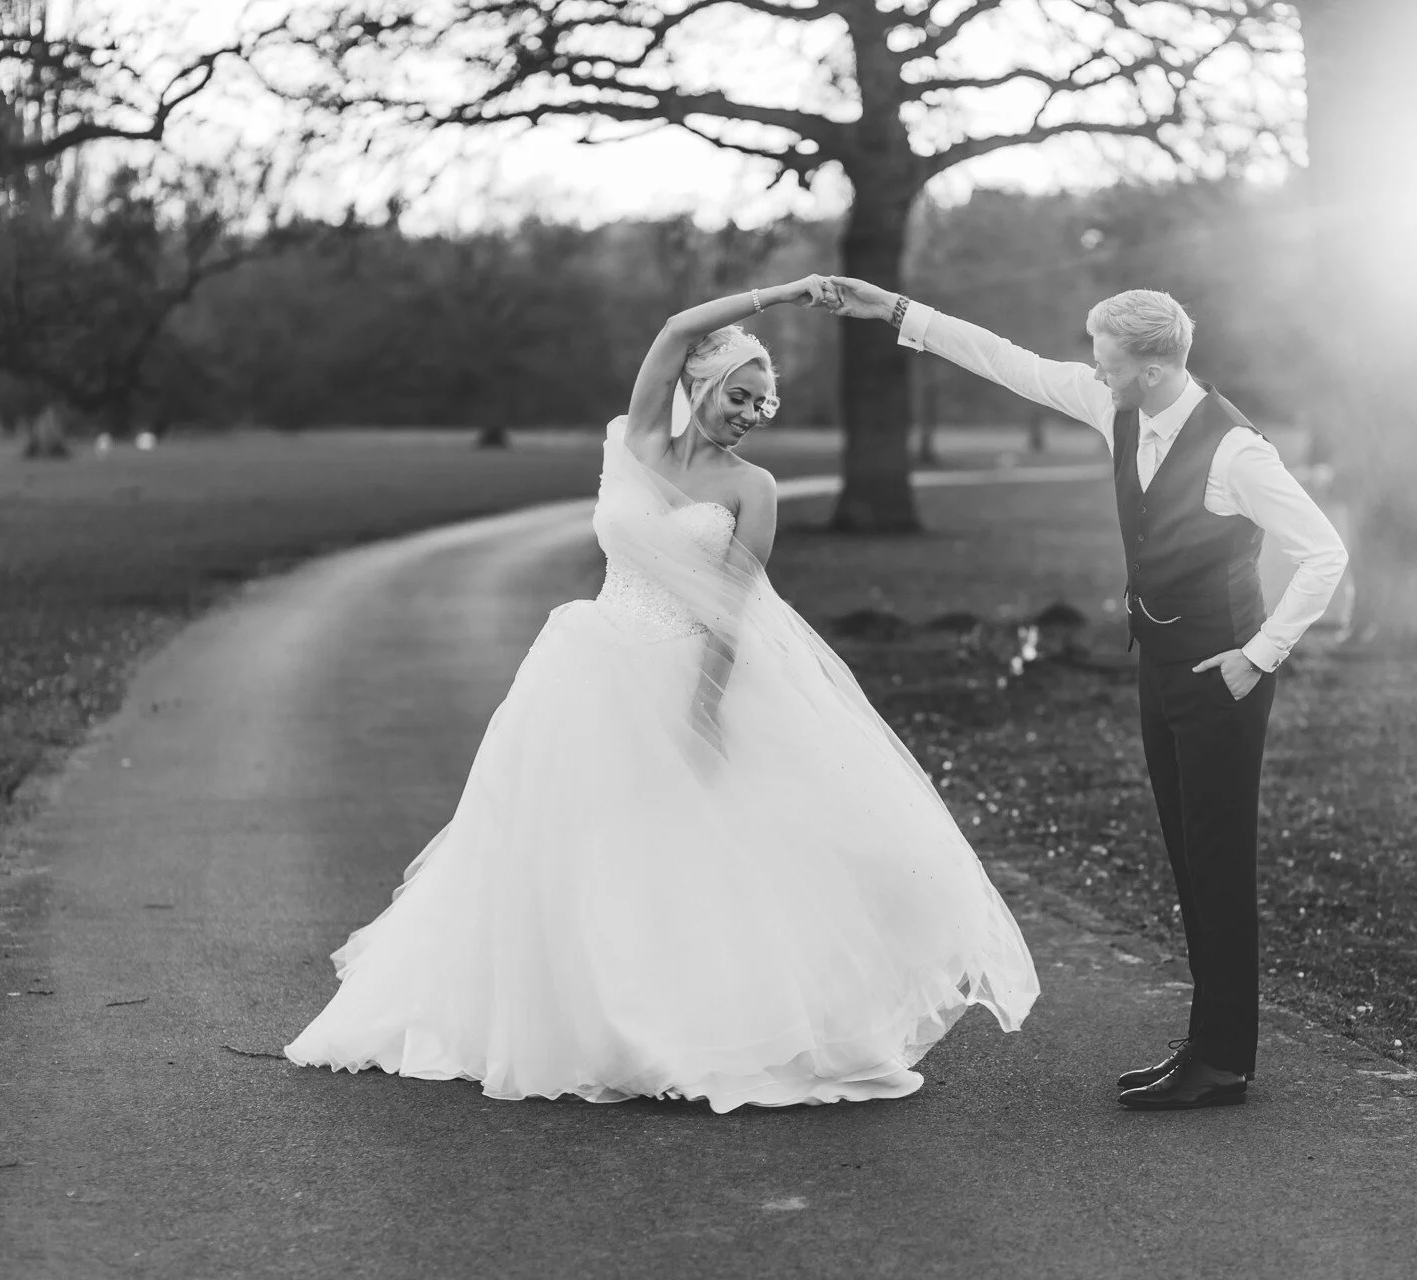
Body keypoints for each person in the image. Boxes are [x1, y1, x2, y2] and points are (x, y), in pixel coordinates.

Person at [284, 277, 1039, 1112]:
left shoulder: (754, 490)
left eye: (762, 404)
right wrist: (784, 294)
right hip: (589, 666)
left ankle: (686, 1021)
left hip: (684, 671)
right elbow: (678, 325)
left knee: (685, 849)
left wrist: (705, 706)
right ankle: (575, 1017)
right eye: (738, 396)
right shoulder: (638, 440)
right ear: (701, 388)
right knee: (572, 845)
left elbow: (734, 614)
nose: (749, 413)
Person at [824, 278, 1347, 1110]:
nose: (1094, 376)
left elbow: (1324, 553)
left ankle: (1223, 1061)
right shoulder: (1122, 407)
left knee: (1219, 862)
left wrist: (1260, 654)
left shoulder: (1236, 452)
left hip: (1223, 674)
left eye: (1107, 367)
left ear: (1148, 368)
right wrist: (894, 311)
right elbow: (1013, 366)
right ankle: (1211, 1045)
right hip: (1160, 662)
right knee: (1188, 854)